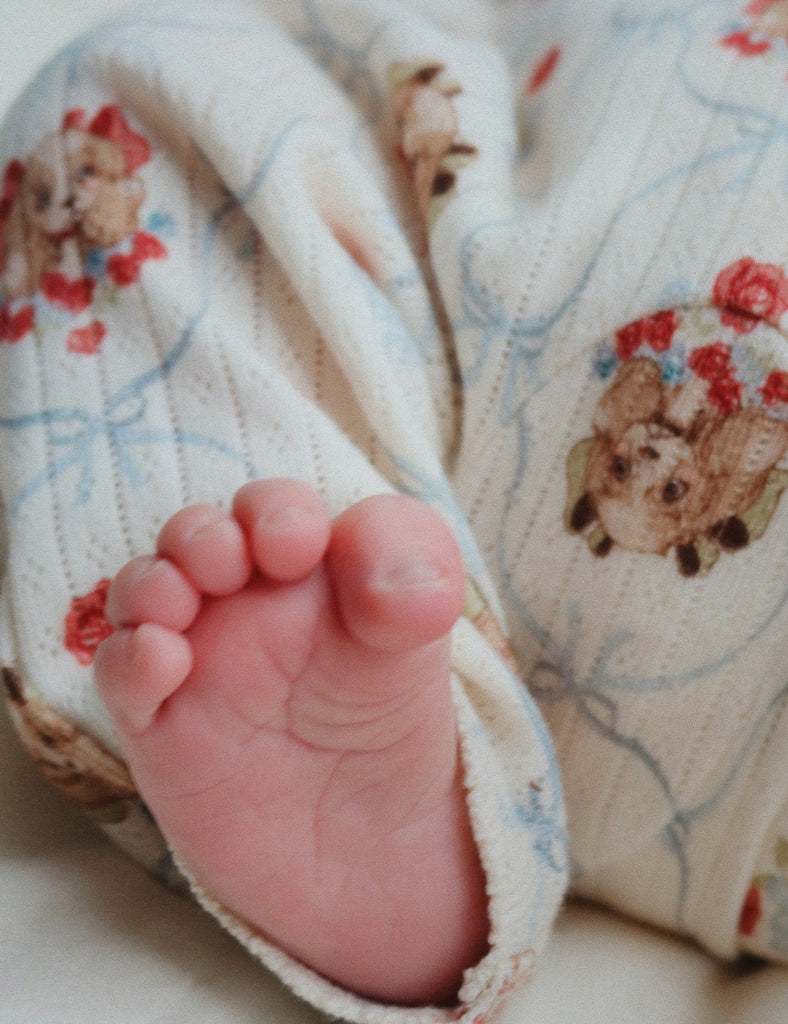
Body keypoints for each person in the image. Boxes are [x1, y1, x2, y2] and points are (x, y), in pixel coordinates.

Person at [2, 0, 787, 1020]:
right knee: (148, 86)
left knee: (141, 90)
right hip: (487, 350)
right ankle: (424, 816)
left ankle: (412, 818)